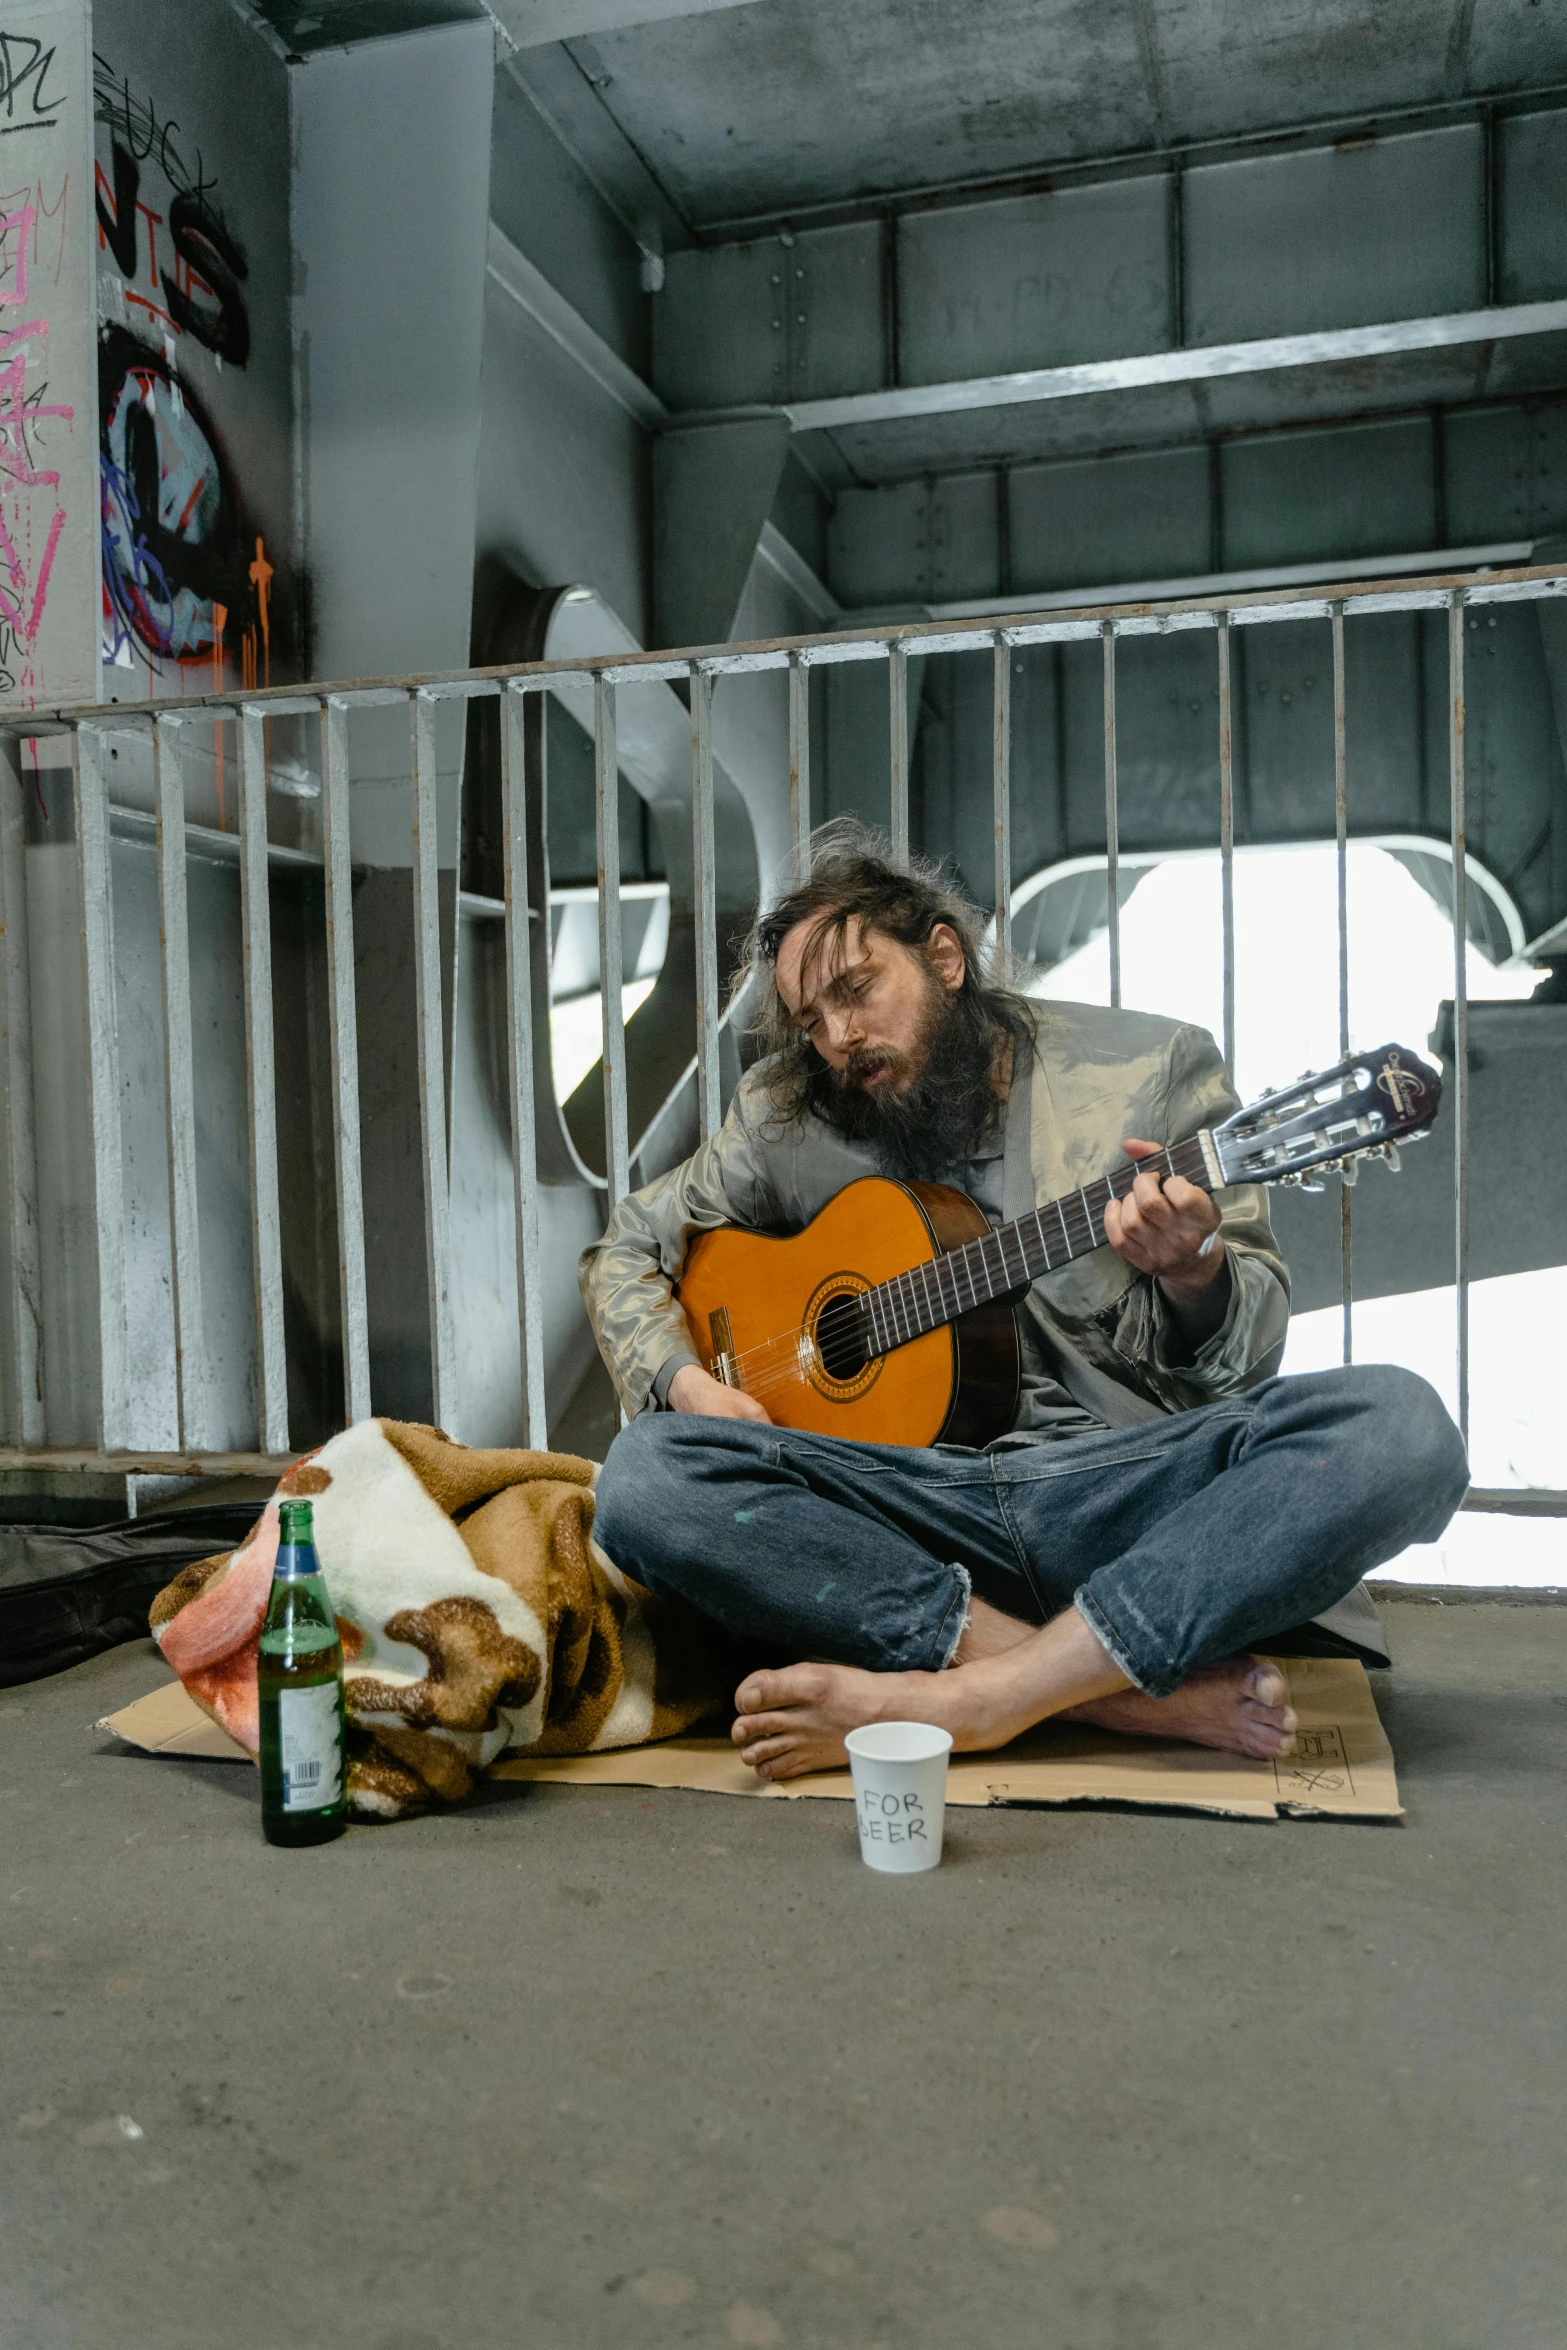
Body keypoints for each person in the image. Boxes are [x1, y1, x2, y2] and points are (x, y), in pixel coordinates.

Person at [584, 837, 1469, 1783]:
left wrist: (1193, 1271)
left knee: (1401, 1427)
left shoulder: (1149, 1067)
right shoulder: (786, 1116)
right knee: (643, 1474)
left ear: (944, 958)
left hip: (1118, 1491)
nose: (835, 1039)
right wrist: (686, 1382)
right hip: (909, 1510)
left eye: (854, 990)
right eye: (809, 1020)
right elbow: (626, 1247)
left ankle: (973, 1698)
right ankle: (1108, 1691)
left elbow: (1242, 1363)